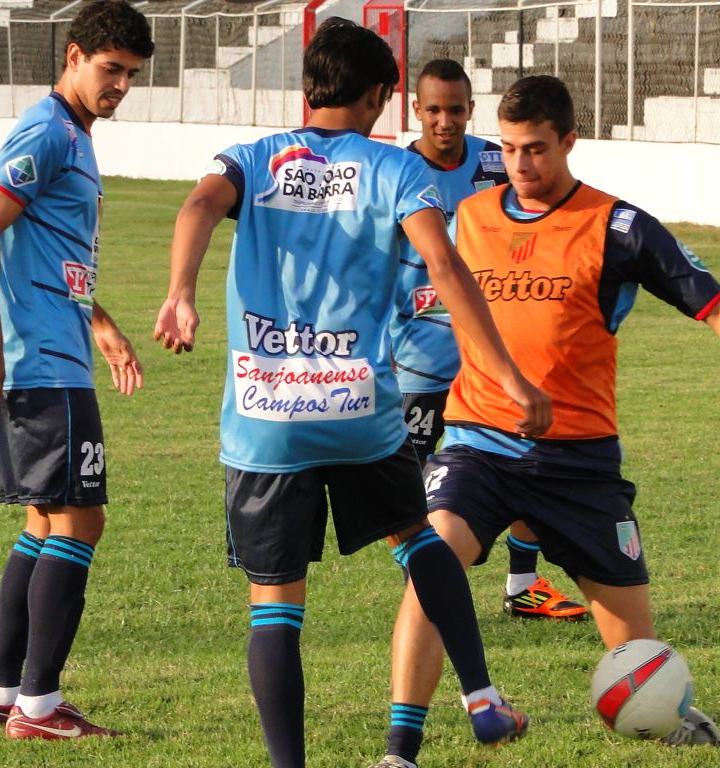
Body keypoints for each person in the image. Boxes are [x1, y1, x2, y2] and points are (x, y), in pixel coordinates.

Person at [374, 74, 720, 767]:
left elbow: (712, 301)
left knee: (636, 650)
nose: (522, 166)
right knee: (431, 566)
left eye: (537, 150)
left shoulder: (617, 227)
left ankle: (664, 716)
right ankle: (399, 751)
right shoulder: (468, 218)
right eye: (510, 149)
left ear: (569, 142)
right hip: (478, 444)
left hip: (581, 463)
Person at [153, 18, 551, 768]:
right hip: (360, 410)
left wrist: (180, 292)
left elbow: (198, 207)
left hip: (265, 416)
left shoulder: (253, 158)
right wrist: (502, 371)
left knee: (276, 605)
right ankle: (480, 697)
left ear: (307, 88)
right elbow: (444, 265)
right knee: (418, 539)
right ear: (380, 96)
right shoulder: (398, 172)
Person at [0, 0, 153, 740]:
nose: (120, 86)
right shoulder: (46, 131)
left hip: (56, 349)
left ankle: (1, 692)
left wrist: (100, 323)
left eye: (130, 75)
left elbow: (52, 253)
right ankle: (38, 708)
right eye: (110, 70)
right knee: (81, 520)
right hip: (40, 362)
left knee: (46, 521)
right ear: (73, 56)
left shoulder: (72, 133)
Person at [390, 58, 586, 623]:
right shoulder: (395, 170)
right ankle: (427, 589)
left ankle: (522, 584)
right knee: (412, 487)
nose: (445, 121)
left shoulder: (499, 160)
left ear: (470, 110)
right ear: (416, 111)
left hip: (496, 352)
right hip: (418, 353)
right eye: (433, 110)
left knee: (529, 460)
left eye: (455, 109)